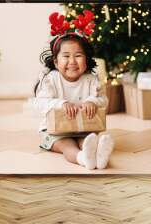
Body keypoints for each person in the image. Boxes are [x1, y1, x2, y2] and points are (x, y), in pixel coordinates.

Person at [33, 10, 114, 170]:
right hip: (55, 131)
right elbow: (40, 103)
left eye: (78, 55)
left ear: (87, 60)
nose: (72, 61)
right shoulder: (51, 79)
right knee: (67, 145)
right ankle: (83, 159)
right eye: (66, 56)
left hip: (84, 127)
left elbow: (104, 100)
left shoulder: (91, 79)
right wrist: (61, 103)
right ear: (56, 62)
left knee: (88, 140)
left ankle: (98, 155)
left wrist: (92, 101)